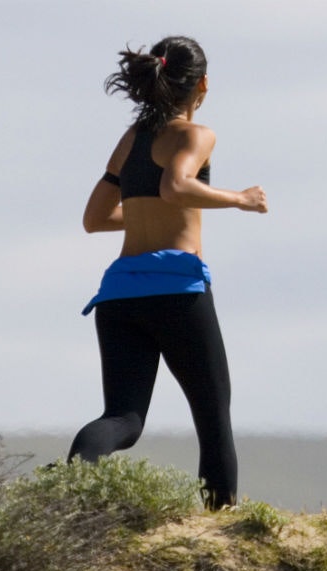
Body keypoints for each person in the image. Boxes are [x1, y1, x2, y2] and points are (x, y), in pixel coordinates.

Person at [67, 36, 267, 510]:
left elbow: (95, 218)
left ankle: (70, 485)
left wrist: (145, 214)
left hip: (118, 296)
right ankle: (221, 524)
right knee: (212, 415)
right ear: (202, 84)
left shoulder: (131, 139)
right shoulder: (196, 135)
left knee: (123, 419)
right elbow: (175, 186)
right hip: (177, 290)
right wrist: (240, 199)